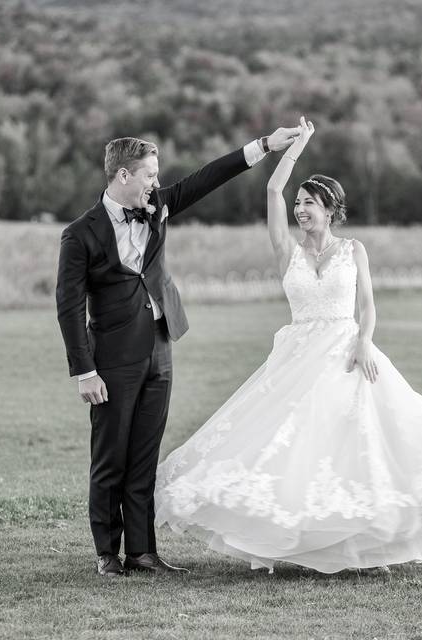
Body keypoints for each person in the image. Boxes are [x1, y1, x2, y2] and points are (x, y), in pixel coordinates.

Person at [155, 118, 422, 574]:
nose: (301, 209)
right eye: (299, 203)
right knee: (295, 446)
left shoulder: (353, 250)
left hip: (346, 354)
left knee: (359, 445)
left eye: (310, 203)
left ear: (330, 210)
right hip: (297, 358)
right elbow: (271, 192)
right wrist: (295, 149)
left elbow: (369, 307)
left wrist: (364, 343)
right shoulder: (286, 250)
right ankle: (299, 542)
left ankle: (368, 545)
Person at [57, 126, 301, 577]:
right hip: (111, 358)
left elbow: (209, 177)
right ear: (124, 175)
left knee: (145, 454)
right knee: (111, 455)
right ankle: (107, 554)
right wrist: (84, 371)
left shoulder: (158, 207)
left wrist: (265, 145)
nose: (156, 182)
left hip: (160, 346)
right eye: (149, 174)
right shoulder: (79, 235)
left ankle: (143, 552)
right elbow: (69, 309)